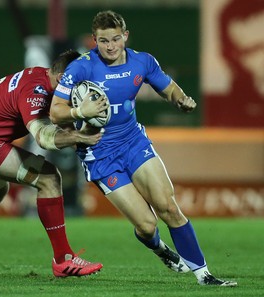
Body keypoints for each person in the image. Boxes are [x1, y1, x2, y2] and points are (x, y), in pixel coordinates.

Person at [50, 10, 237, 286]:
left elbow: (169, 88)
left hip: (133, 142)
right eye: (103, 41)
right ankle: (160, 249)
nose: (110, 46)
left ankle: (204, 275)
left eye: (115, 39)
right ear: (94, 40)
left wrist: (180, 99)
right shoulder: (82, 67)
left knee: (168, 207)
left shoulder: (142, 62)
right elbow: (56, 112)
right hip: (100, 154)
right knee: (147, 226)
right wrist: (80, 110)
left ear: (125, 36)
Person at [0, 49, 103, 280]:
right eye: (78, 79)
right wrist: (80, 136)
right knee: (49, 178)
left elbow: (61, 125)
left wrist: (81, 133)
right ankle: (63, 260)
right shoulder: (37, 90)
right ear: (64, 77)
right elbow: (43, 138)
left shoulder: (43, 79)